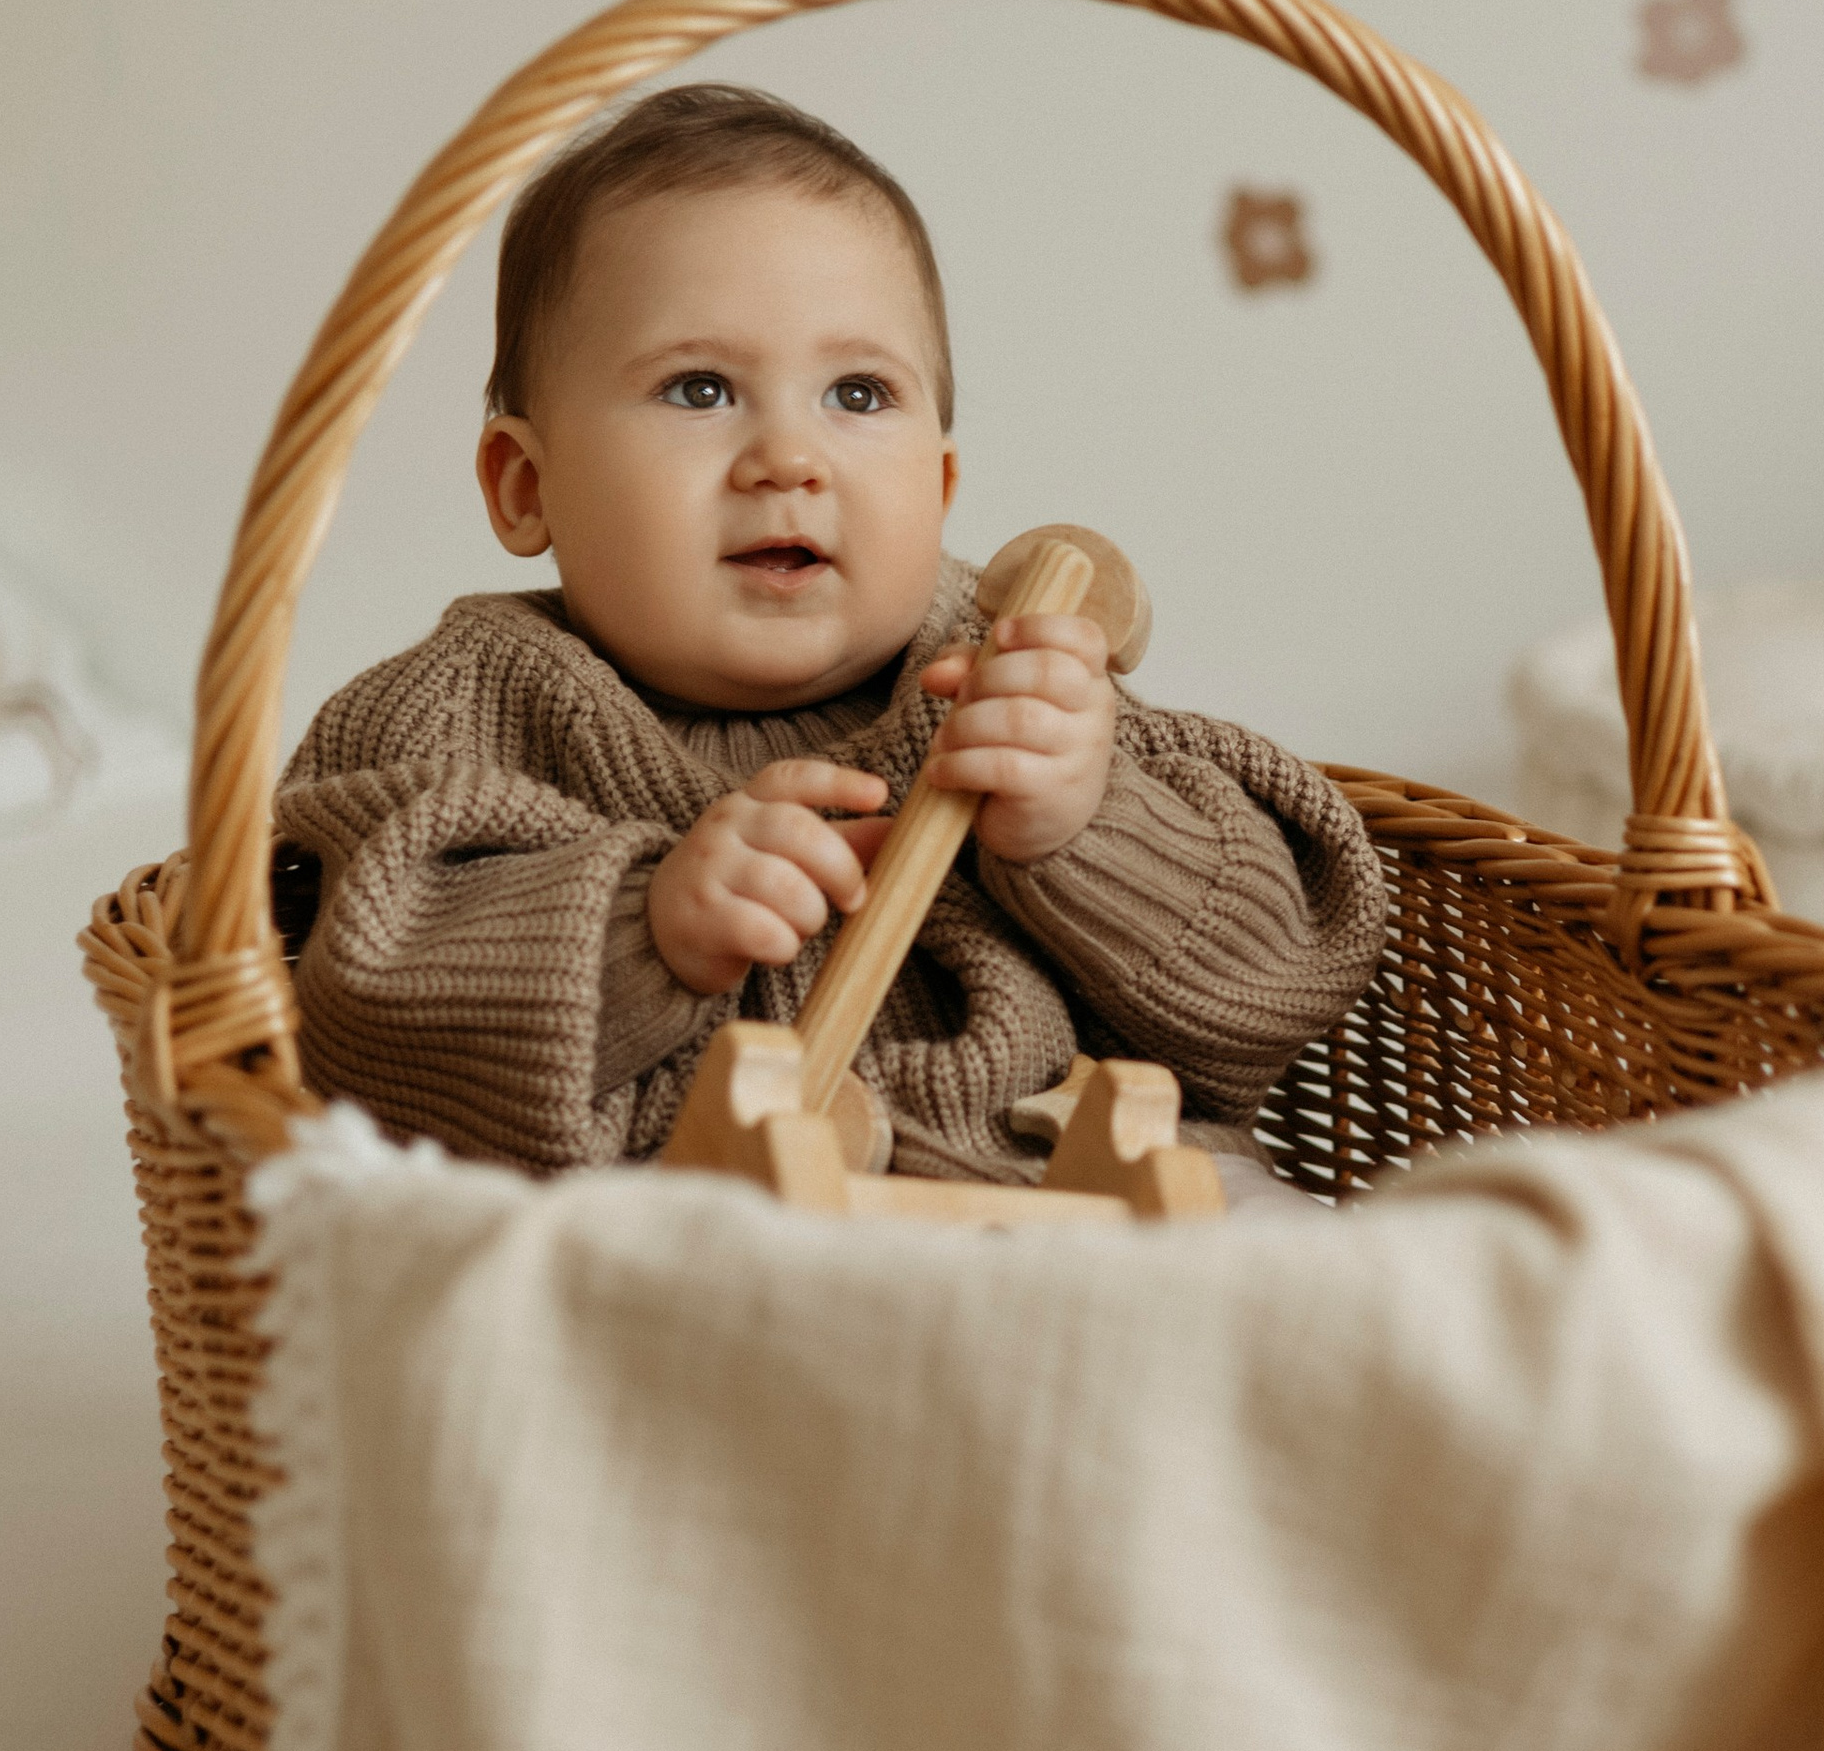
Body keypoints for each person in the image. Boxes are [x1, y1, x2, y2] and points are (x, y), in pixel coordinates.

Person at [273, 86, 1388, 1183]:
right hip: (694, 1243)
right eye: (699, 388)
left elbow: (1278, 995)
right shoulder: (461, 708)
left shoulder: (1013, 677)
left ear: (941, 488)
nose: (788, 459)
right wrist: (641, 931)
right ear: (527, 485)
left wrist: (1086, 827)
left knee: (1290, 1241)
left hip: (1063, 1203)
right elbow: (355, 1016)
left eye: (857, 396)